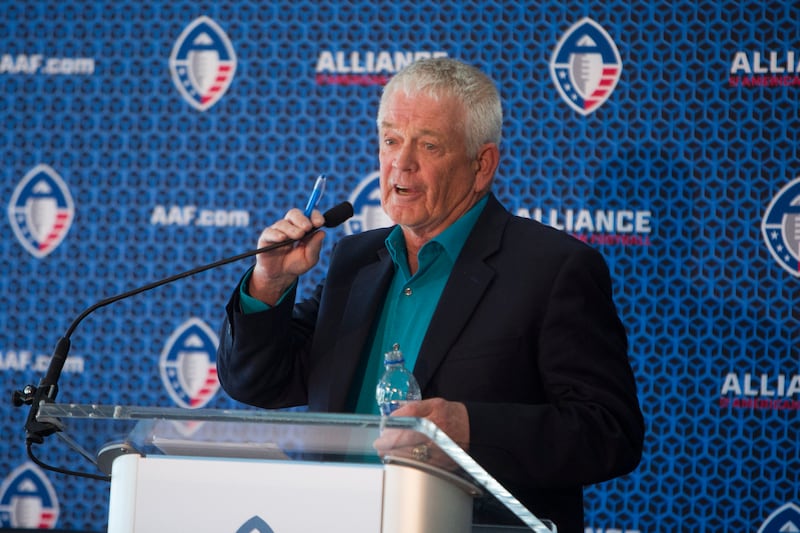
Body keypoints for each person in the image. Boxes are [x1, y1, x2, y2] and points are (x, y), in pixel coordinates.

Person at [216, 57, 644, 533]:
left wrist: (467, 428)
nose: (402, 163)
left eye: (429, 145)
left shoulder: (551, 269)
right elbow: (259, 381)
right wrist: (269, 285)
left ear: (482, 165)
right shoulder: (356, 261)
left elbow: (609, 433)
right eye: (391, 140)